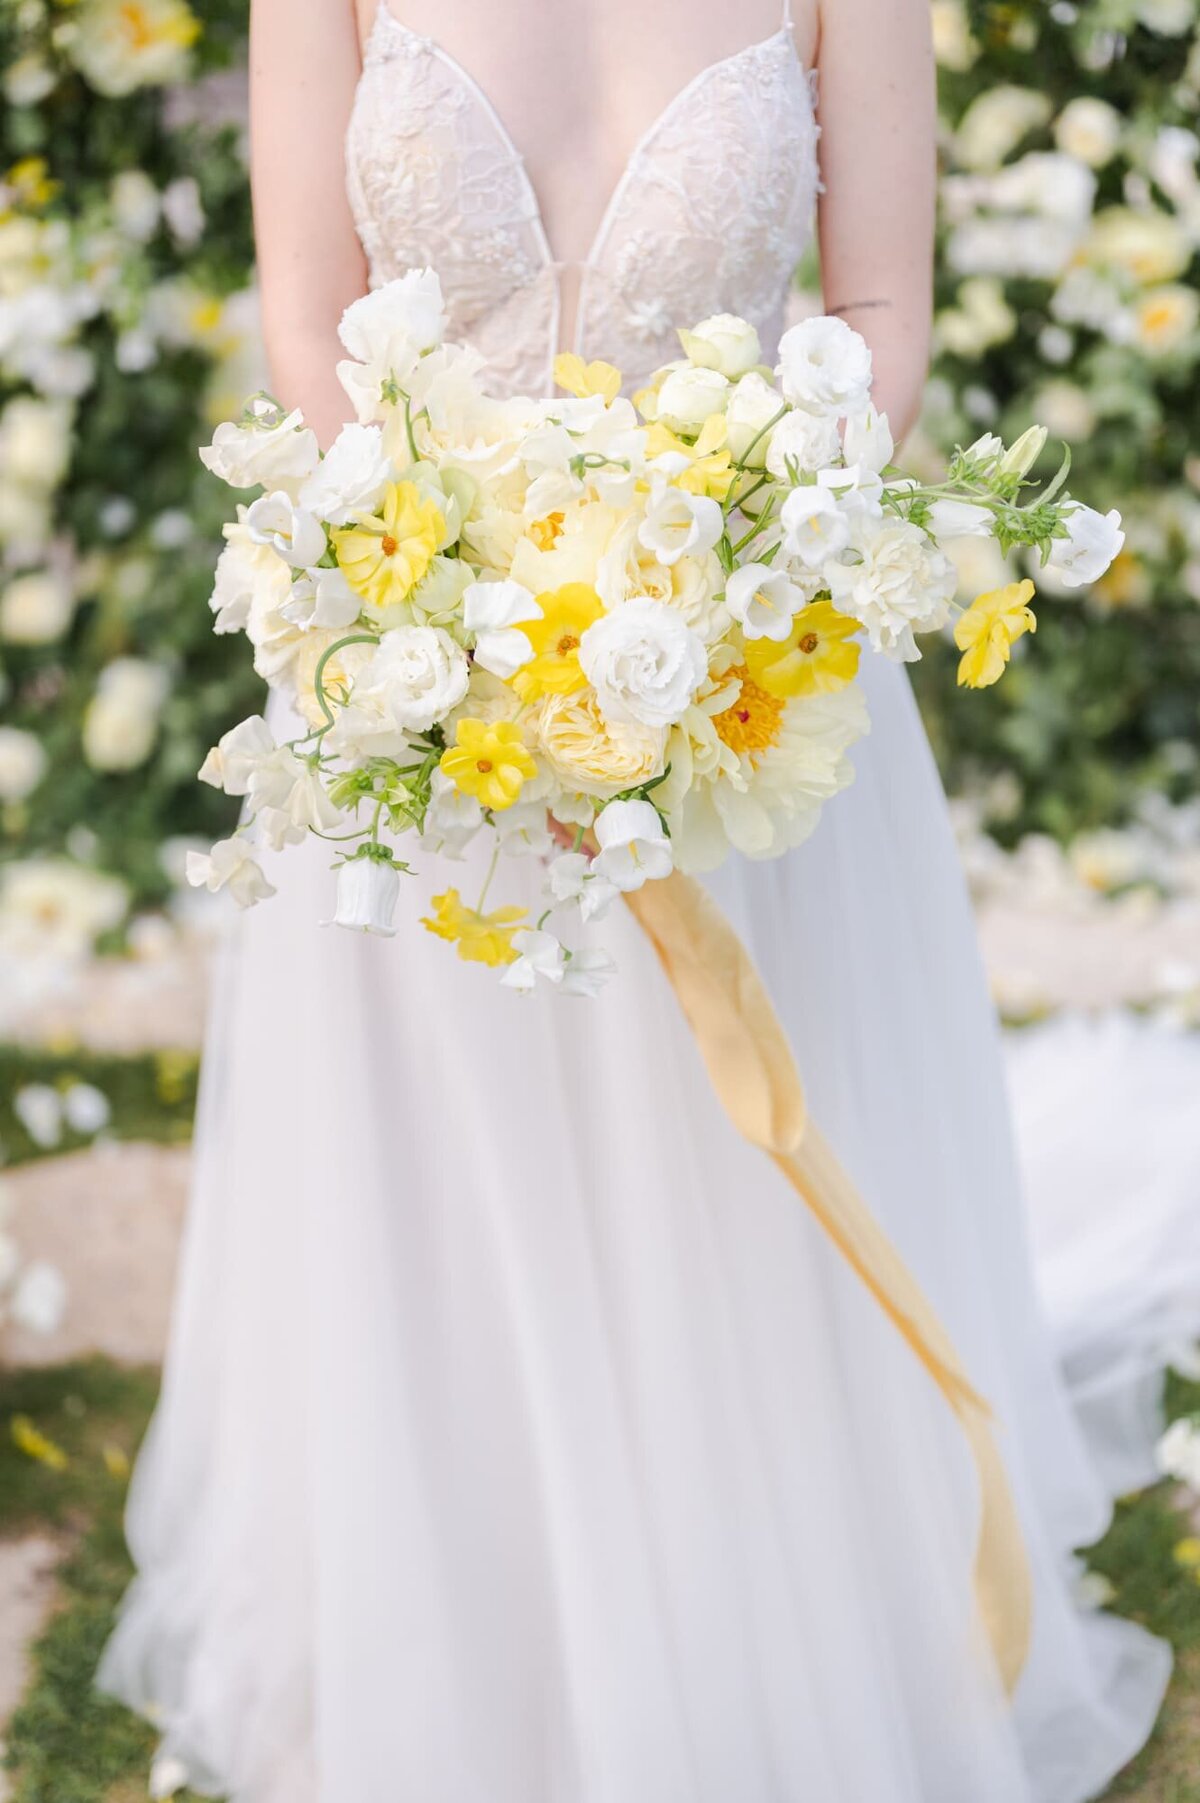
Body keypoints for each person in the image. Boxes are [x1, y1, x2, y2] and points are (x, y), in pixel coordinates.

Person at [99, 1, 1171, 1797]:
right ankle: (469, 1654)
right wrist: (448, 627)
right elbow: (306, 321)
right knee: (453, 1199)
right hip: (419, 694)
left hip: (753, 687)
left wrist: (741, 583)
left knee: (732, 1194)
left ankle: (767, 1642)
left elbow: (877, 316)